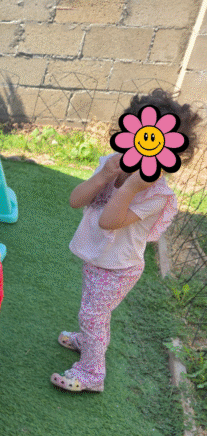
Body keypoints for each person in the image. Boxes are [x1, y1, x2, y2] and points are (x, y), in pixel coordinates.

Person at [52, 89, 201, 393]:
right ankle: (86, 340)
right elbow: (75, 200)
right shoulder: (112, 163)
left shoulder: (156, 194)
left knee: (93, 313)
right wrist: (105, 175)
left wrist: (131, 187)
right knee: (90, 308)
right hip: (98, 257)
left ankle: (93, 374)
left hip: (119, 268)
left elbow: (109, 220)